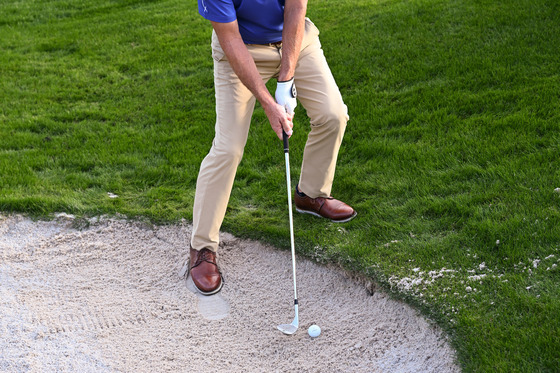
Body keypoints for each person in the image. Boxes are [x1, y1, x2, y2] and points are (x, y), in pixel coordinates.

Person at [189, 0, 357, 295]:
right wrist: (269, 102)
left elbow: (295, 9)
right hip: (242, 48)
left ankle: (311, 195)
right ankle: (202, 247)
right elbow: (229, 38)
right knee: (228, 149)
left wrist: (286, 78)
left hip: (295, 42)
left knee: (333, 115)